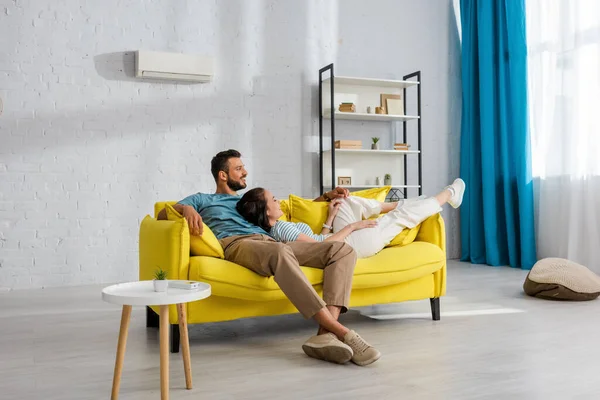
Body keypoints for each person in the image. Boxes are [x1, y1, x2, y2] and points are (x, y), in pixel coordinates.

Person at [157, 149, 380, 366]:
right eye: (239, 168)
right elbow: (162, 214)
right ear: (222, 175)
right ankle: (343, 332)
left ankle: (324, 335)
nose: (244, 172)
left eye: (243, 168)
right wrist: (186, 209)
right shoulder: (203, 199)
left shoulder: (247, 200)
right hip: (238, 244)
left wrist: (326, 197)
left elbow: (281, 209)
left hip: (273, 244)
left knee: (342, 250)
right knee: (281, 251)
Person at [236, 179, 465, 259]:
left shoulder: (280, 228)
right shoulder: (283, 230)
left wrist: (330, 216)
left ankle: (398, 203)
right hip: (349, 246)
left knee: (346, 200)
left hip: (339, 239)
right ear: (266, 212)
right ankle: (448, 195)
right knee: (401, 217)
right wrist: (355, 225)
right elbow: (323, 247)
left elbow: (318, 240)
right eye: (273, 200)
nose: (278, 201)